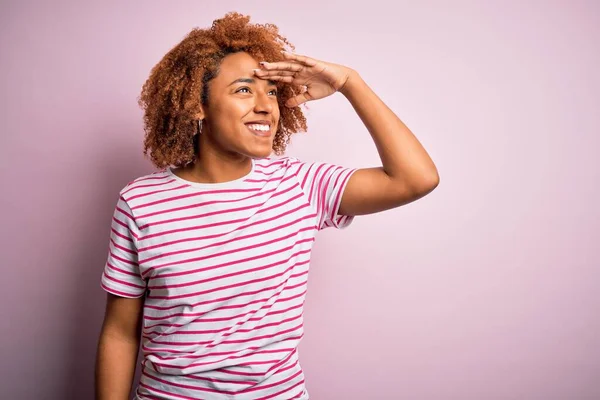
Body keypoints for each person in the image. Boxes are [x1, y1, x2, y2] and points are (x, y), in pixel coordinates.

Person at [95, 11, 439, 400]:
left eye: (271, 91)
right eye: (244, 90)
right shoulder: (141, 202)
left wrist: (349, 82)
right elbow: (120, 333)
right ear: (197, 105)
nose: (266, 107)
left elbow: (416, 178)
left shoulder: (300, 186)